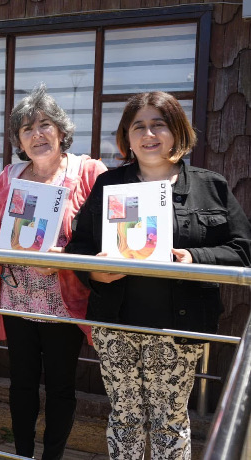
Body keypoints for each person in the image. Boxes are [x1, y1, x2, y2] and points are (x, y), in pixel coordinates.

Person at [65, 91, 251, 459]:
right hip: (116, 325)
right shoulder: (109, 185)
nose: (149, 134)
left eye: (158, 124)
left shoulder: (209, 186)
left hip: (178, 329)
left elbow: (243, 249)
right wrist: (95, 273)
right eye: (139, 127)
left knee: (169, 420)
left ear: (176, 131)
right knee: (124, 417)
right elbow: (78, 248)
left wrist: (195, 257)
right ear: (127, 137)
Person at [0, 84, 107, 459]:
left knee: (61, 386)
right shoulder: (10, 176)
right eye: (27, 129)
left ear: (61, 130)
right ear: (18, 139)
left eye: (45, 124)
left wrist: (65, 255)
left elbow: (101, 236)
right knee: (20, 383)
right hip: (18, 296)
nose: (37, 135)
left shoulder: (88, 171)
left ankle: (52, 455)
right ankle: (21, 453)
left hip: (63, 302)